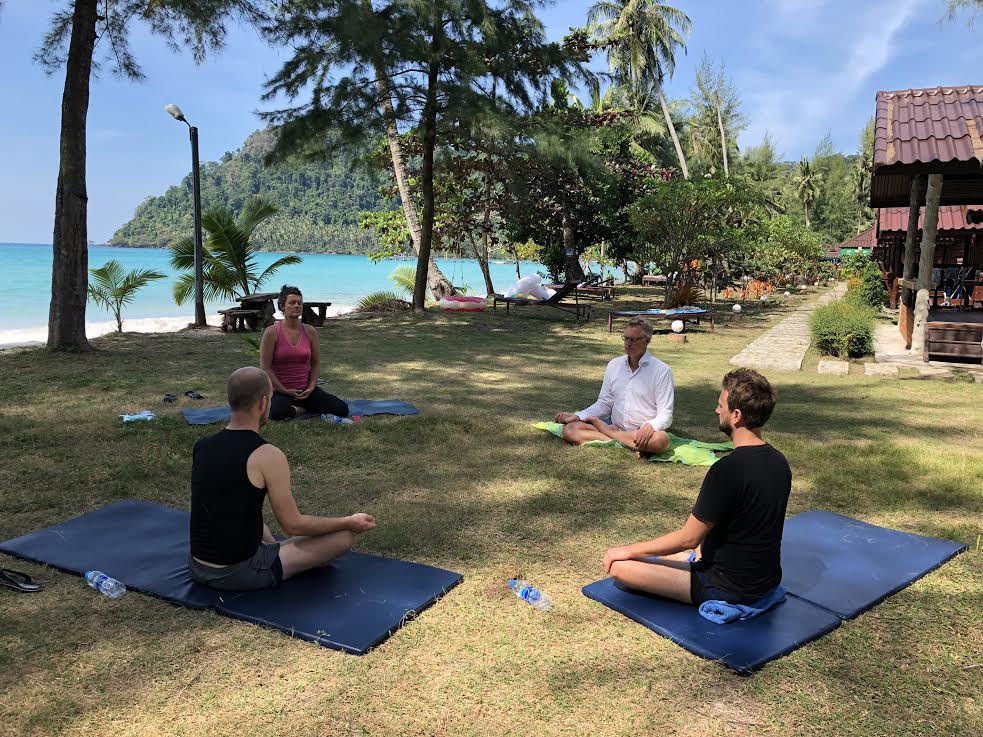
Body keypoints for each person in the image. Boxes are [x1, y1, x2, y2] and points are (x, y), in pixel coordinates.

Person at [601, 369, 791, 606]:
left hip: (726, 587)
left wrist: (627, 550)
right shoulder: (779, 461)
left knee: (621, 567)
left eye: (721, 405)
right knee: (688, 552)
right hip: (766, 580)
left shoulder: (728, 469)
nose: (717, 410)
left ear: (736, 415)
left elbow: (688, 539)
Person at [189, 367, 376, 591]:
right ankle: (284, 557)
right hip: (238, 573)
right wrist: (349, 521)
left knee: (243, 508)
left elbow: (232, 508)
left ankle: (277, 551)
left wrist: (272, 545)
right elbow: (293, 525)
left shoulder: (203, 446)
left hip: (198, 566)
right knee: (342, 537)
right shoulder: (268, 455)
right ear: (263, 402)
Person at [554, 318, 674, 457]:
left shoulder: (662, 370)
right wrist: (578, 416)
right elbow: (605, 402)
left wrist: (650, 426)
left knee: (661, 440)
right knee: (570, 429)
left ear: (647, 340)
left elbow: (666, 414)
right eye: (626, 338)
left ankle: (611, 435)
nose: (628, 343)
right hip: (616, 425)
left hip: (642, 432)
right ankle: (629, 443)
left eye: (634, 339)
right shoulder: (614, 365)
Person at [260, 285, 349, 421]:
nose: (296, 306)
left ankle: (300, 407)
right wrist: (284, 390)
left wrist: (311, 386)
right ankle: (301, 409)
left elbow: (315, 363)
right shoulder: (272, 332)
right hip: (280, 391)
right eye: (292, 303)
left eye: (299, 303)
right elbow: (265, 367)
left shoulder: (310, 331)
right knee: (276, 414)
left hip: (305, 390)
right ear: (282, 306)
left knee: (342, 409)